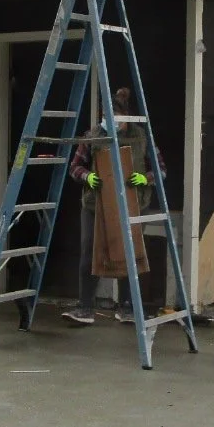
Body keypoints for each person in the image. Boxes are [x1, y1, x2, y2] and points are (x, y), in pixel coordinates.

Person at [62, 87, 161, 326]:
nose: (108, 120)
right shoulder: (94, 136)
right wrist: (87, 177)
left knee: (128, 253)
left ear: (124, 116)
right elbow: (74, 166)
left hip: (132, 204)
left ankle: (126, 307)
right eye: (105, 115)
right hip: (96, 206)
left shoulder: (140, 137)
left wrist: (144, 178)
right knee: (89, 253)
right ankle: (85, 307)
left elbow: (160, 169)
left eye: (112, 115)